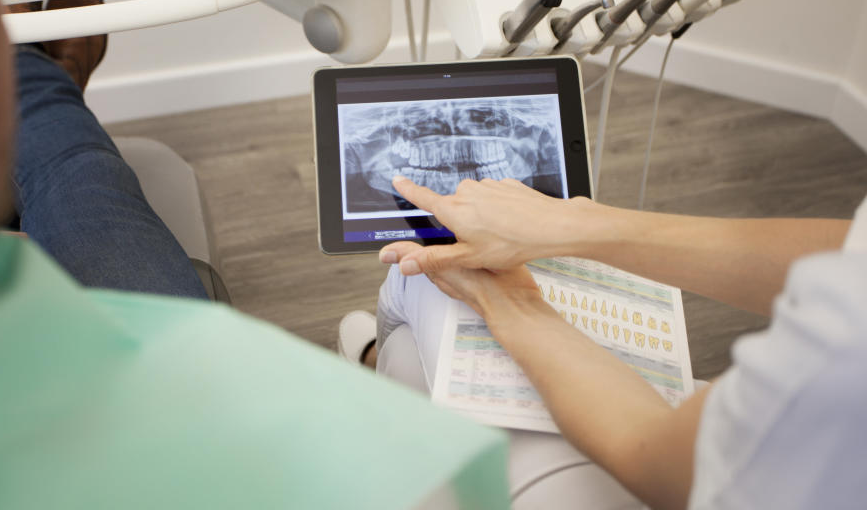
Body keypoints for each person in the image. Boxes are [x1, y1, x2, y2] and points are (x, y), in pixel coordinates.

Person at [0, 0, 513, 507]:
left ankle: (29, 88)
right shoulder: (380, 466)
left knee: (43, 128)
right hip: (205, 411)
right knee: (59, 144)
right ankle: (35, 81)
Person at [340, 174, 866, 509]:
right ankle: (383, 367)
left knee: (418, 283)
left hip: (682, 475)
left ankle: (375, 365)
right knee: (413, 351)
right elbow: (848, 261)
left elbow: (662, 463)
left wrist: (515, 304)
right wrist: (574, 223)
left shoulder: (836, 368)